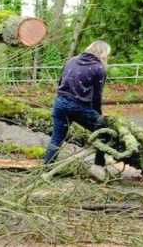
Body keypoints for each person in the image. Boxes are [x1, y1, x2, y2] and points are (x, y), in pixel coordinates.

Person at [43, 40, 111, 181]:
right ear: (103, 53)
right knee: (104, 131)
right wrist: (99, 117)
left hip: (60, 103)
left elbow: (60, 81)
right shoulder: (99, 68)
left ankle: (46, 170)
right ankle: (98, 168)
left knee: (56, 139)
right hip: (79, 107)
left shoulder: (71, 60)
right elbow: (97, 97)